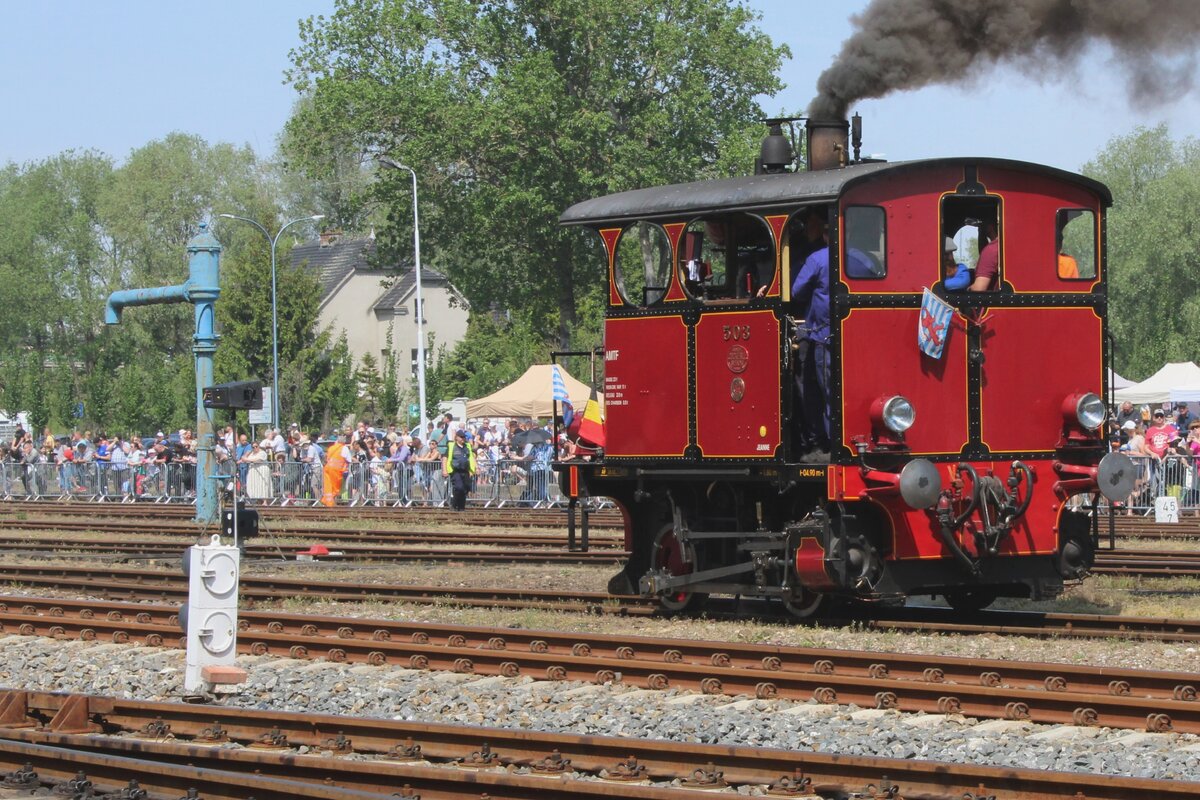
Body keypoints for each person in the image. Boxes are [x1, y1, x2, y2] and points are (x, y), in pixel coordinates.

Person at [791, 212, 832, 461]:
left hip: (822, 334)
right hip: (851, 335)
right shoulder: (861, 257)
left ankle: (826, 442)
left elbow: (797, 292)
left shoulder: (817, 259)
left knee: (822, 388)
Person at [444, 429, 476, 511]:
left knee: (464, 489)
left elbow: (472, 458)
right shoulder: (451, 446)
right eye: (461, 437)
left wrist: (473, 469)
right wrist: (445, 470)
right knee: (459, 487)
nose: (463, 439)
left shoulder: (467, 446)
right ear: (456, 437)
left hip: (465, 471)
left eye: (464, 437)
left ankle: (461, 507)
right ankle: (454, 505)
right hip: (455, 471)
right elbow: (445, 458)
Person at [321, 432, 352, 507]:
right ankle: (330, 503)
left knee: (328, 486)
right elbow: (349, 460)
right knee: (335, 488)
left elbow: (327, 458)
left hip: (327, 469)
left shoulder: (331, 448)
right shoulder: (344, 448)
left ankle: (327, 502)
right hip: (336, 470)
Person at [969, 220, 1000, 292]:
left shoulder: (991, 250)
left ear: (989, 227)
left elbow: (979, 288)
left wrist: (969, 289)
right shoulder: (1004, 247)